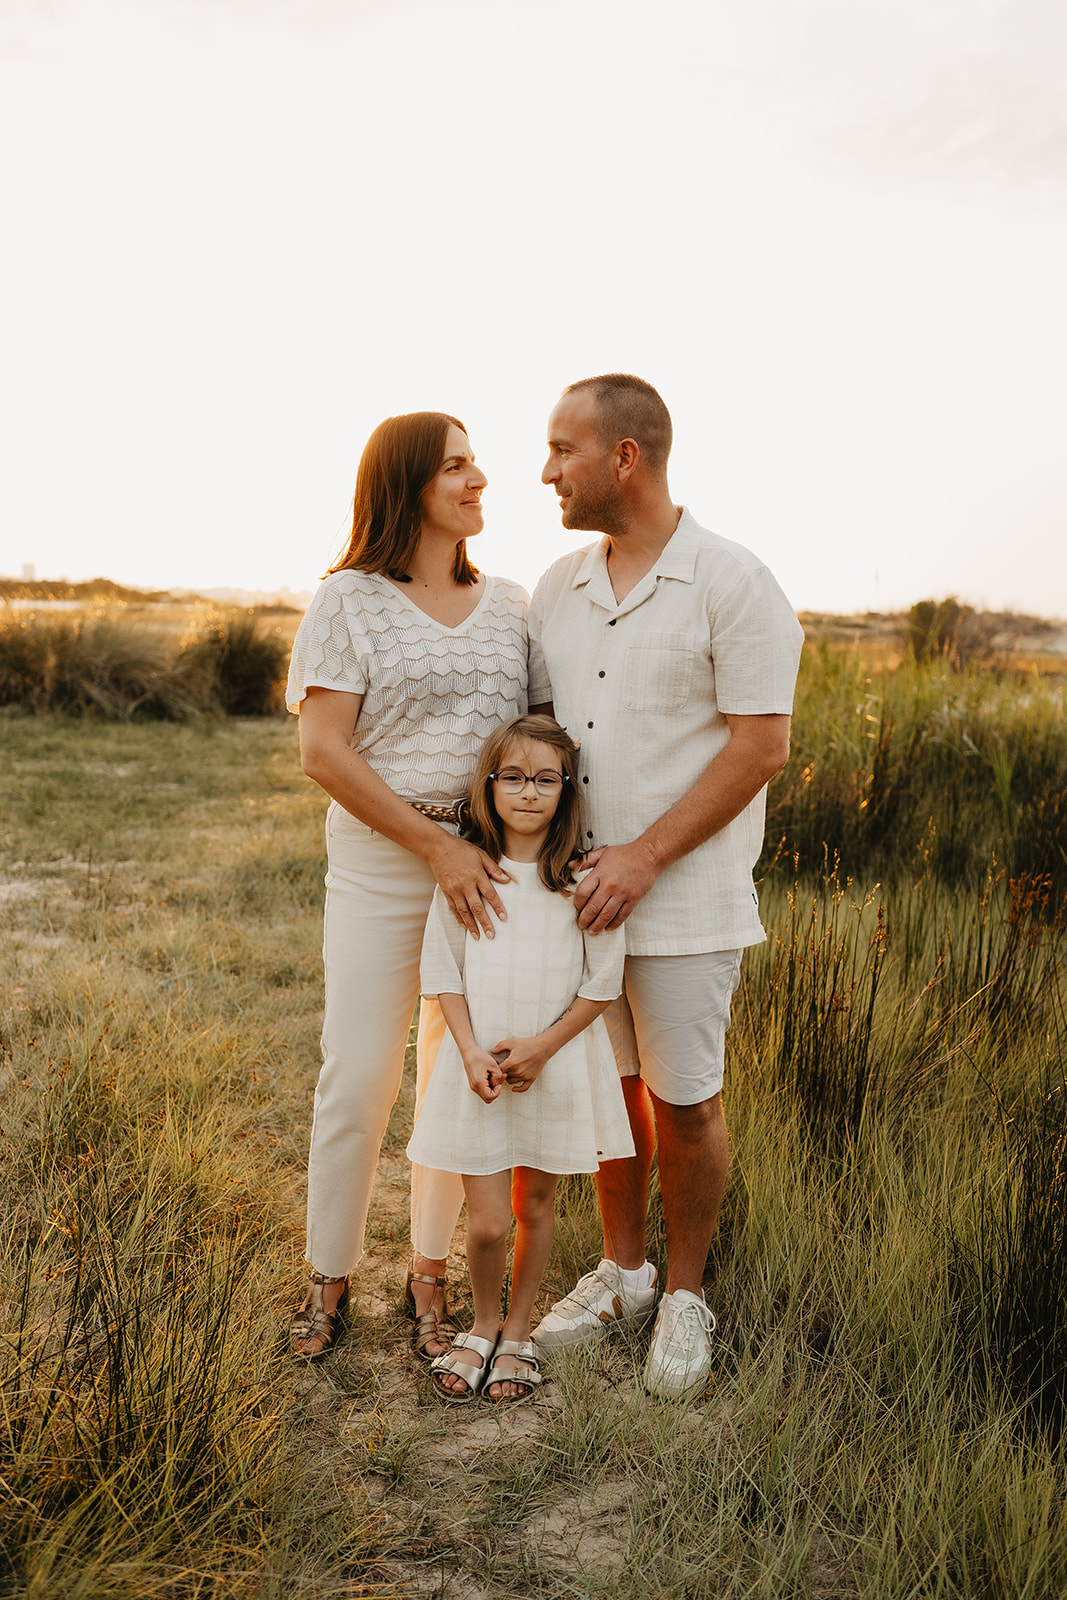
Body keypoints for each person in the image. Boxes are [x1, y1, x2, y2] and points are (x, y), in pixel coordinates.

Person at [527, 374, 804, 1401]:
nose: (544, 470)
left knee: (684, 1100)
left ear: (623, 457)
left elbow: (760, 746)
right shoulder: (557, 583)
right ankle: (623, 1271)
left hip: (683, 900)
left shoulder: (732, 581)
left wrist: (642, 857)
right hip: (577, 904)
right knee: (609, 1093)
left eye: (561, 449)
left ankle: (684, 1295)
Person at [285, 411, 529, 1361]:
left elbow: (539, 739)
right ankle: (328, 1276)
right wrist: (433, 850)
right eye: (456, 467)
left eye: (477, 465)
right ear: (407, 486)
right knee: (358, 1071)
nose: (478, 481)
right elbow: (322, 752)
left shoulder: (511, 604)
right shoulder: (347, 600)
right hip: (390, 861)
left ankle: (428, 1276)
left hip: (489, 869)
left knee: (456, 1076)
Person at [406, 715, 634, 1403]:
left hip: (553, 1064)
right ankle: (478, 1324)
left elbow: (602, 982)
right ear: (489, 785)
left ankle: (515, 1332)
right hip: (477, 1071)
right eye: (513, 778)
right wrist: (471, 1049)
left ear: (566, 789)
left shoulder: (580, 883)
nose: (528, 792)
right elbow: (440, 971)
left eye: (544, 780)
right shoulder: (469, 874)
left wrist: (543, 1046)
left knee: (535, 1206)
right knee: (485, 1220)